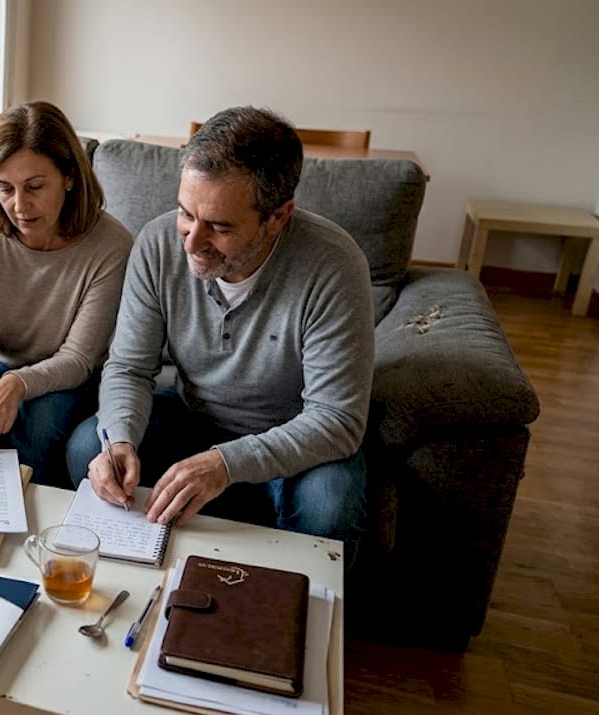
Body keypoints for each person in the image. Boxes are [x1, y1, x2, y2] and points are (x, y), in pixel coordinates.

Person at [65, 106, 372, 563]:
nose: (190, 241)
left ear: (278, 217)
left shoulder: (333, 266)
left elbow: (336, 420)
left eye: (220, 227)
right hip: (193, 416)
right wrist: (121, 439)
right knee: (90, 448)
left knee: (331, 504)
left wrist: (226, 463)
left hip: (293, 436)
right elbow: (129, 366)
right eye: (187, 213)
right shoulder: (156, 244)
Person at [0, 101, 132, 487]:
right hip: (0, 364)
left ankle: (30, 532)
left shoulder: (112, 245)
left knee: (41, 424)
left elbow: (77, 358)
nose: (19, 206)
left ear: (69, 176)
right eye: (5, 188)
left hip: (70, 376)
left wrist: (17, 384)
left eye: (36, 187)